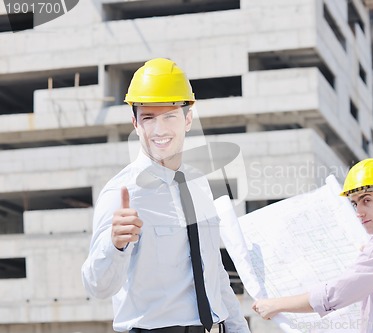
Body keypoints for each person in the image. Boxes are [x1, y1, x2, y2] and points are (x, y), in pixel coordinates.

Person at [81, 58, 250, 333]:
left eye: (170, 116)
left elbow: (213, 271)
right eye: (148, 118)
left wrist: (238, 328)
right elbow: (97, 286)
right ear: (135, 122)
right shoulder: (122, 193)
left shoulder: (198, 183)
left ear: (188, 118)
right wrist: (114, 246)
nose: (159, 130)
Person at [252, 158, 373, 333]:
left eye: (366, 200)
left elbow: (339, 293)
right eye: (355, 204)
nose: (359, 212)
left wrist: (276, 305)